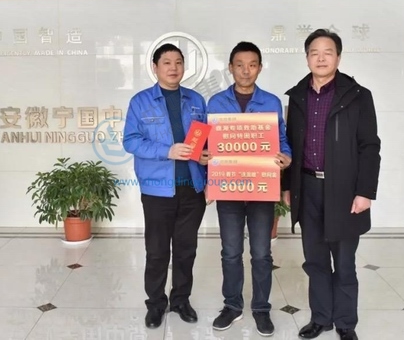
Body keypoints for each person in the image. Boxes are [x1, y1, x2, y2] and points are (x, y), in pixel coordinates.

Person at [282, 29, 381, 340]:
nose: (321, 58)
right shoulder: (297, 96)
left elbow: (370, 146)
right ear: (307, 57)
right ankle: (321, 318)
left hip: (345, 190)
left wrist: (365, 192)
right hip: (307, 187)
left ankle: (346, 323)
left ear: (338, 57)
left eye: (328, 52)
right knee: (315, 260)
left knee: (345, 263)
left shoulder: (358, 95)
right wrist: (287, 186)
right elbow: (289, 145)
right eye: (315, 52)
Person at [123, 43, 210, 329]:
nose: (173, 68)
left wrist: (206, 161)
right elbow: (131, 141)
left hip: (192, 188)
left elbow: (205, 141)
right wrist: (167, 151)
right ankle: (156, 303)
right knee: (157, 251)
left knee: (186, 249)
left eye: (178, 62)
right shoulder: (140, 101)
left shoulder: (196, 100)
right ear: (155, 67)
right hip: (158, 190)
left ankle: (181, 300)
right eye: (167, 63)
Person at [207, 41, 292, 337]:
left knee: (261, 253)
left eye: (252, 65)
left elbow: (282, 139)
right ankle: (232, 306)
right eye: (240, 65)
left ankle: (261, 308)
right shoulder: (215, 103)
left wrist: (286, 156)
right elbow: (207, 144)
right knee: (230, 252)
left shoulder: (271, 102)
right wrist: (207, 171)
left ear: (260, 68)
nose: (246, 71)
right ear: (230, 68)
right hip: (228, 188)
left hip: (260, 189)